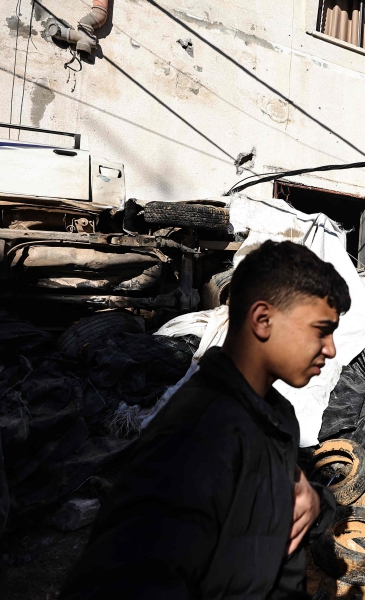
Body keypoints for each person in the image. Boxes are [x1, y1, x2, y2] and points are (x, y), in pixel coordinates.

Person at [61, 240, 350, 599]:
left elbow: (268, 518)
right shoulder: (196, 438)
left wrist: (316, 501)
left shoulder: (275, 414)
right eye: (321, 329)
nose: (331, 349)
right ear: (263, 320)